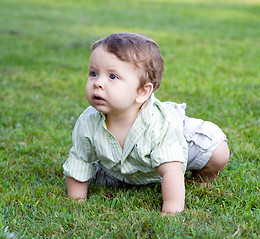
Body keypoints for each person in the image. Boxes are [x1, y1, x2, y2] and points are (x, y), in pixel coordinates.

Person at [63, 32, 229, 214]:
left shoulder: (158, 125)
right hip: (126, 165)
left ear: (142, 92)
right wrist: (76, 202)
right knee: (99, 177)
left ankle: (200, 180)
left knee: (218, 152)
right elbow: (80, 160)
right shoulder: (88, 121)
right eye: (93, 73)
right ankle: (129, 177)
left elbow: (172, 170)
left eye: (113, 77)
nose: (98, 83)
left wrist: (171, 212)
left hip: (180, 146)